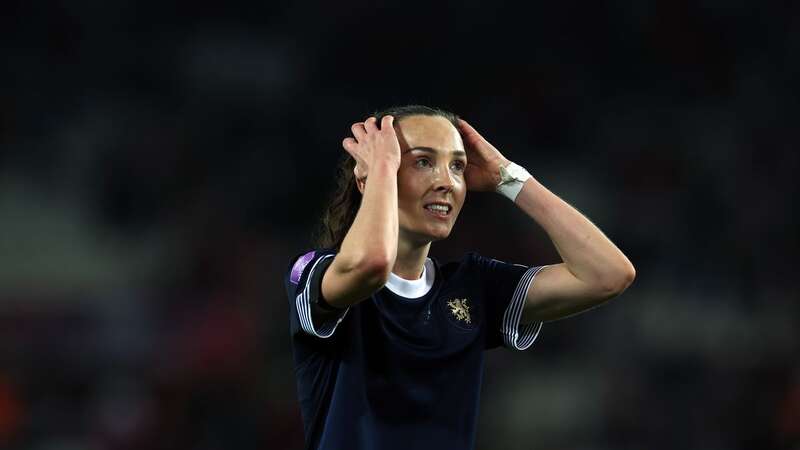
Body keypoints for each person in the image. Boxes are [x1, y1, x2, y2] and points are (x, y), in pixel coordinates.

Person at [284, 105, 635, 450]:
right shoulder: (316, 270)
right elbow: (372, 264)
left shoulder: (472, 286)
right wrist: (383, 169)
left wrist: (510, 178)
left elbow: (607, 275)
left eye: (457, 166)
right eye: (422, 161)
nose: (446, 182)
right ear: (369, 175)